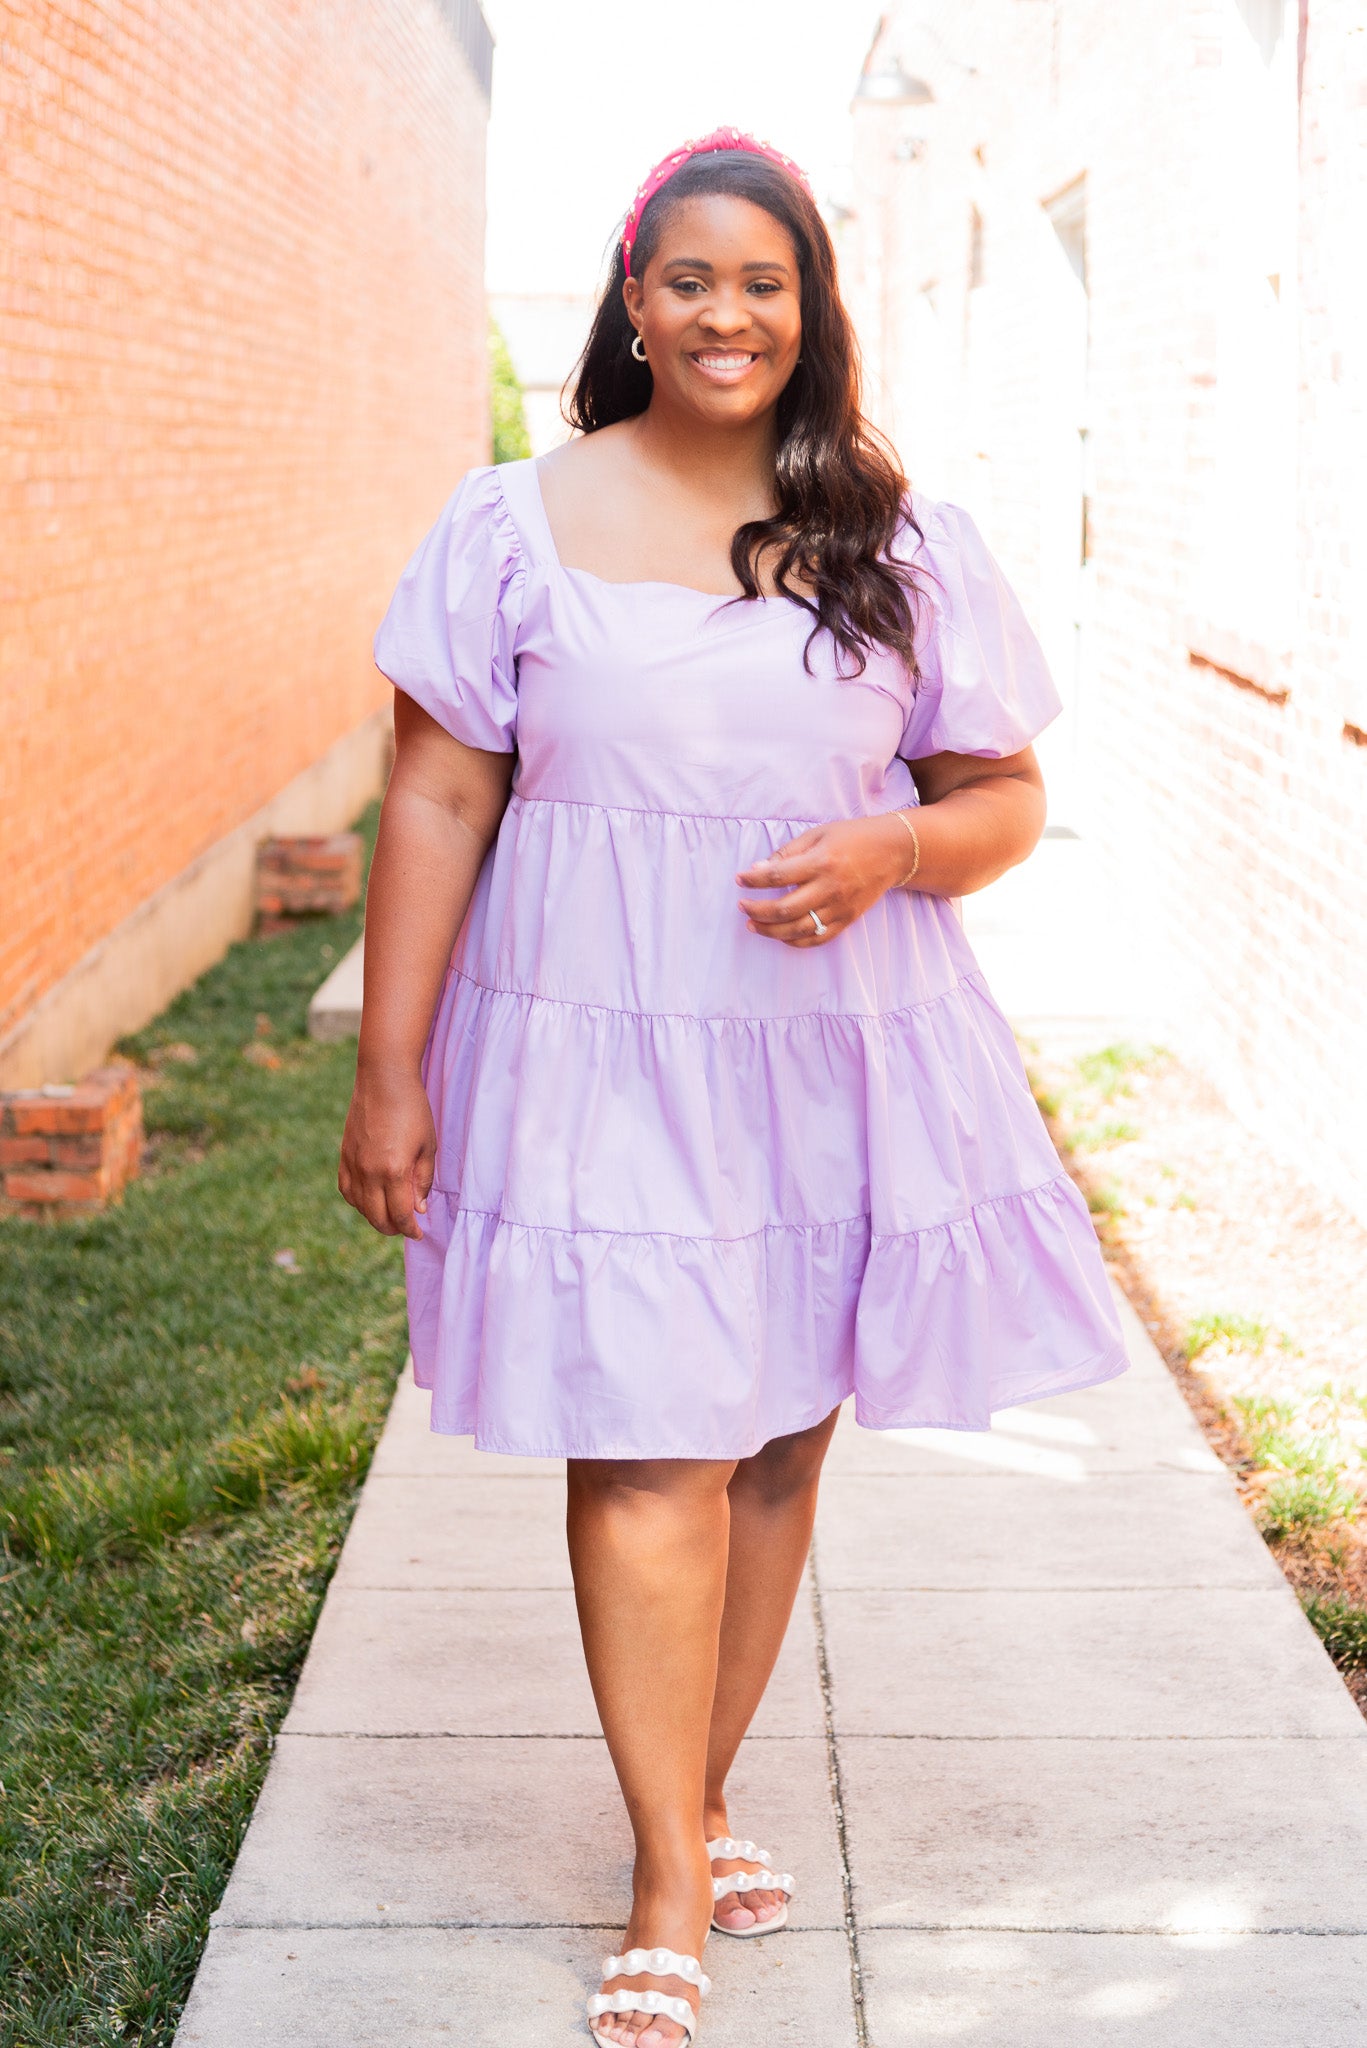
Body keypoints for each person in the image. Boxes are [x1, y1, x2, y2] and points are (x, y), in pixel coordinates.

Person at [340, 128, 1127, 2048]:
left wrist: (893, 857)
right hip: (591, 1041)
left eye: (764, 283)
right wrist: (390, 1067)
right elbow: (443, 790)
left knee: (777, 1439)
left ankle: (700, 1788)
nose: (728, 313)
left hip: (833, 1047)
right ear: (634, 298)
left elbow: (1004, 798)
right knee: (646, 1438)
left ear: (809, 309)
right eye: (691, 279)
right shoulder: (512, 521)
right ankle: (667, 1877)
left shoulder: (892, 533)